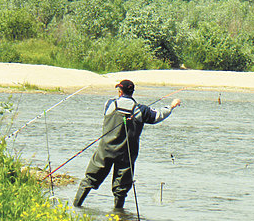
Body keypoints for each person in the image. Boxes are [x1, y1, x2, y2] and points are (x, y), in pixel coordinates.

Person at [73, 79, 181, 208]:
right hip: (127, 154)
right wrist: (172, 106)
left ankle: (76, 207)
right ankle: (118, 216)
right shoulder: (141, 110)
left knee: (89, 179)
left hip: (105, 150)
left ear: (120, 91)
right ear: (132, 92)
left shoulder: (109, 104)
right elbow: (158, 115)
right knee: (121, 189)